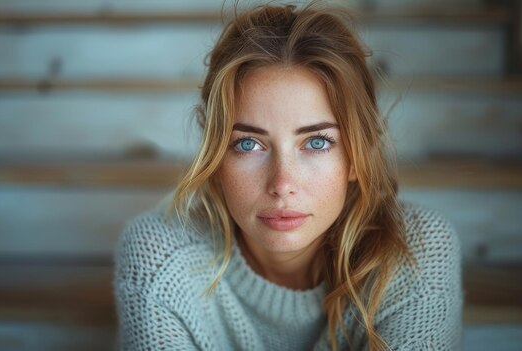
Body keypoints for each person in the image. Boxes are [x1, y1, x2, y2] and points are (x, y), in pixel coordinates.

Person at [114, 2, 462, 350]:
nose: (282, 184)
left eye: (316, 142)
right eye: (248, 144)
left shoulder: (415, 251)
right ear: (216, 155)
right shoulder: (160, 258)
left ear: (358, 157)